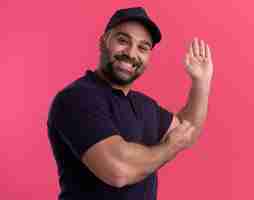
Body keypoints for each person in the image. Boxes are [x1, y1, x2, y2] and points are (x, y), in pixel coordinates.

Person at [47, 7, 214, 200]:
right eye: (123, 41)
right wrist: (169, 147)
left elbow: (187, 131)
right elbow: (118, 171)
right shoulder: (76, 99)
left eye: (143, 47)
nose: (131, 53)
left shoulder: (144, 106)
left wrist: (201, 82)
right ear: (103, 41)